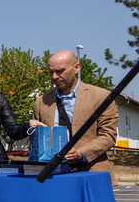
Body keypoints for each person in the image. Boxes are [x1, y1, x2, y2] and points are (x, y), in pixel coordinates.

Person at [32, 49, 118, 180]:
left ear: (76, 68)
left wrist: (81, 153)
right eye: (51, 72)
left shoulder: (101, 97)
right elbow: (34, 138)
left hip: (91, 174)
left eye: (60, 71)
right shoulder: (42, 102)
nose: (54, 76)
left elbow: (108, 136)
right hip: (52, 176)